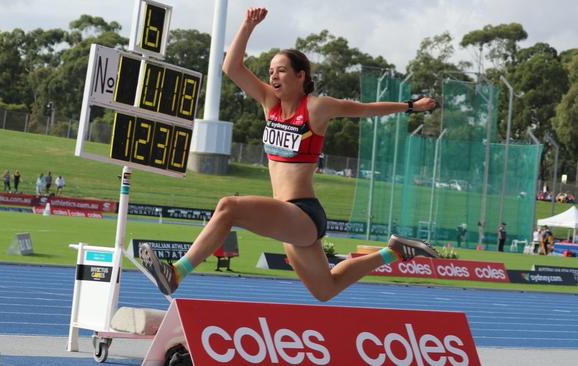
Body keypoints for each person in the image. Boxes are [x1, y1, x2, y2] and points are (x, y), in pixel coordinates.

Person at [139, 7, 439, 301]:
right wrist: (247, 26)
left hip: (303, 212)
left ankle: (176, 273)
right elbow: (231, 67)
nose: (273, 76)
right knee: (326, 290)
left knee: (228, 207)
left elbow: (365, 110)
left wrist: (411, 106)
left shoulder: (316, 107)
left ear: (300, 76)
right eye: (270, 71)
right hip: (287, 220)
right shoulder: (269, 102)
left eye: (281, 70)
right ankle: (394, 251)